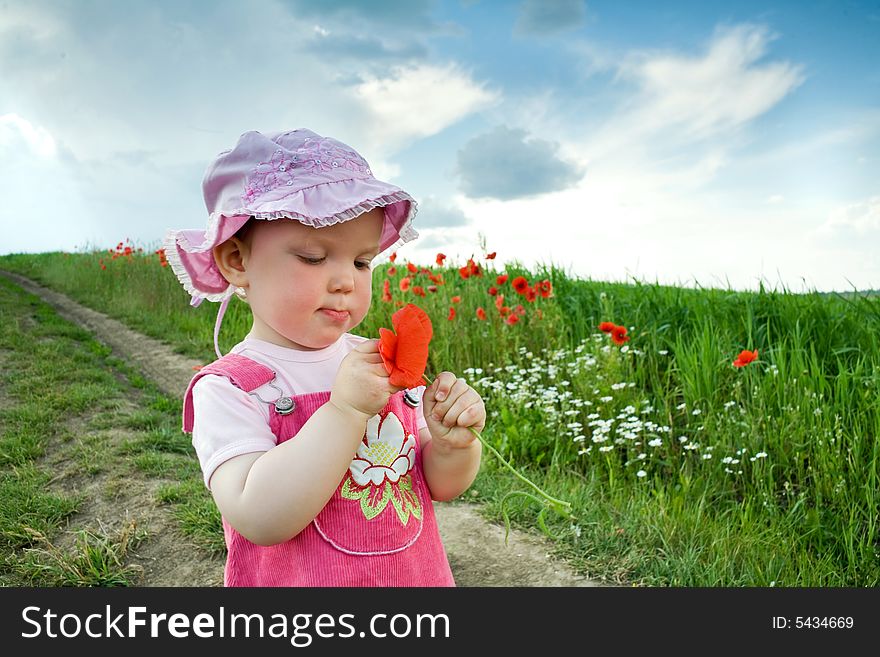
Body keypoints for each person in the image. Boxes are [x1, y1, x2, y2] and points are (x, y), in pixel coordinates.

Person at [164, 129, 484, 586]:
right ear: (236, 259)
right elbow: (260, 517)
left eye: (361, 262)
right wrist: (345, 412)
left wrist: (454, 445)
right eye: (314, 258)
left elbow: (438, 486)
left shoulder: (376, 361)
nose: (346, 282)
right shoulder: (232, 388)